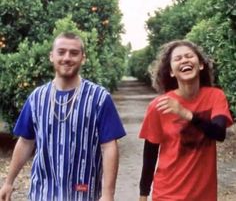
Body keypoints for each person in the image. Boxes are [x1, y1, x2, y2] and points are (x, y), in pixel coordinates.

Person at [0, 32, 126, 201]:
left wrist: (108, 194)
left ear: (83, 58)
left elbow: (109, 147)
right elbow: (25, 142)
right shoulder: (37, 97)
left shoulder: (99, 98)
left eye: (74, 53)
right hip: (42, 193)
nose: (67, 58)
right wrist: (8, 182)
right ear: (51, 56)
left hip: (83, 192)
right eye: (61, 52)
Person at [138, 40, 233, 201]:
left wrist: (185, 113)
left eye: (189, 56)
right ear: (171, 72)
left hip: (204, 196)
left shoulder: (215, 96)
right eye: (178, 58)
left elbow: (219, 133)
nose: (184, 60)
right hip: (168, 194)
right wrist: (143, 194)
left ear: (201, 65)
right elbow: (150, 154)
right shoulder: (159, 106)